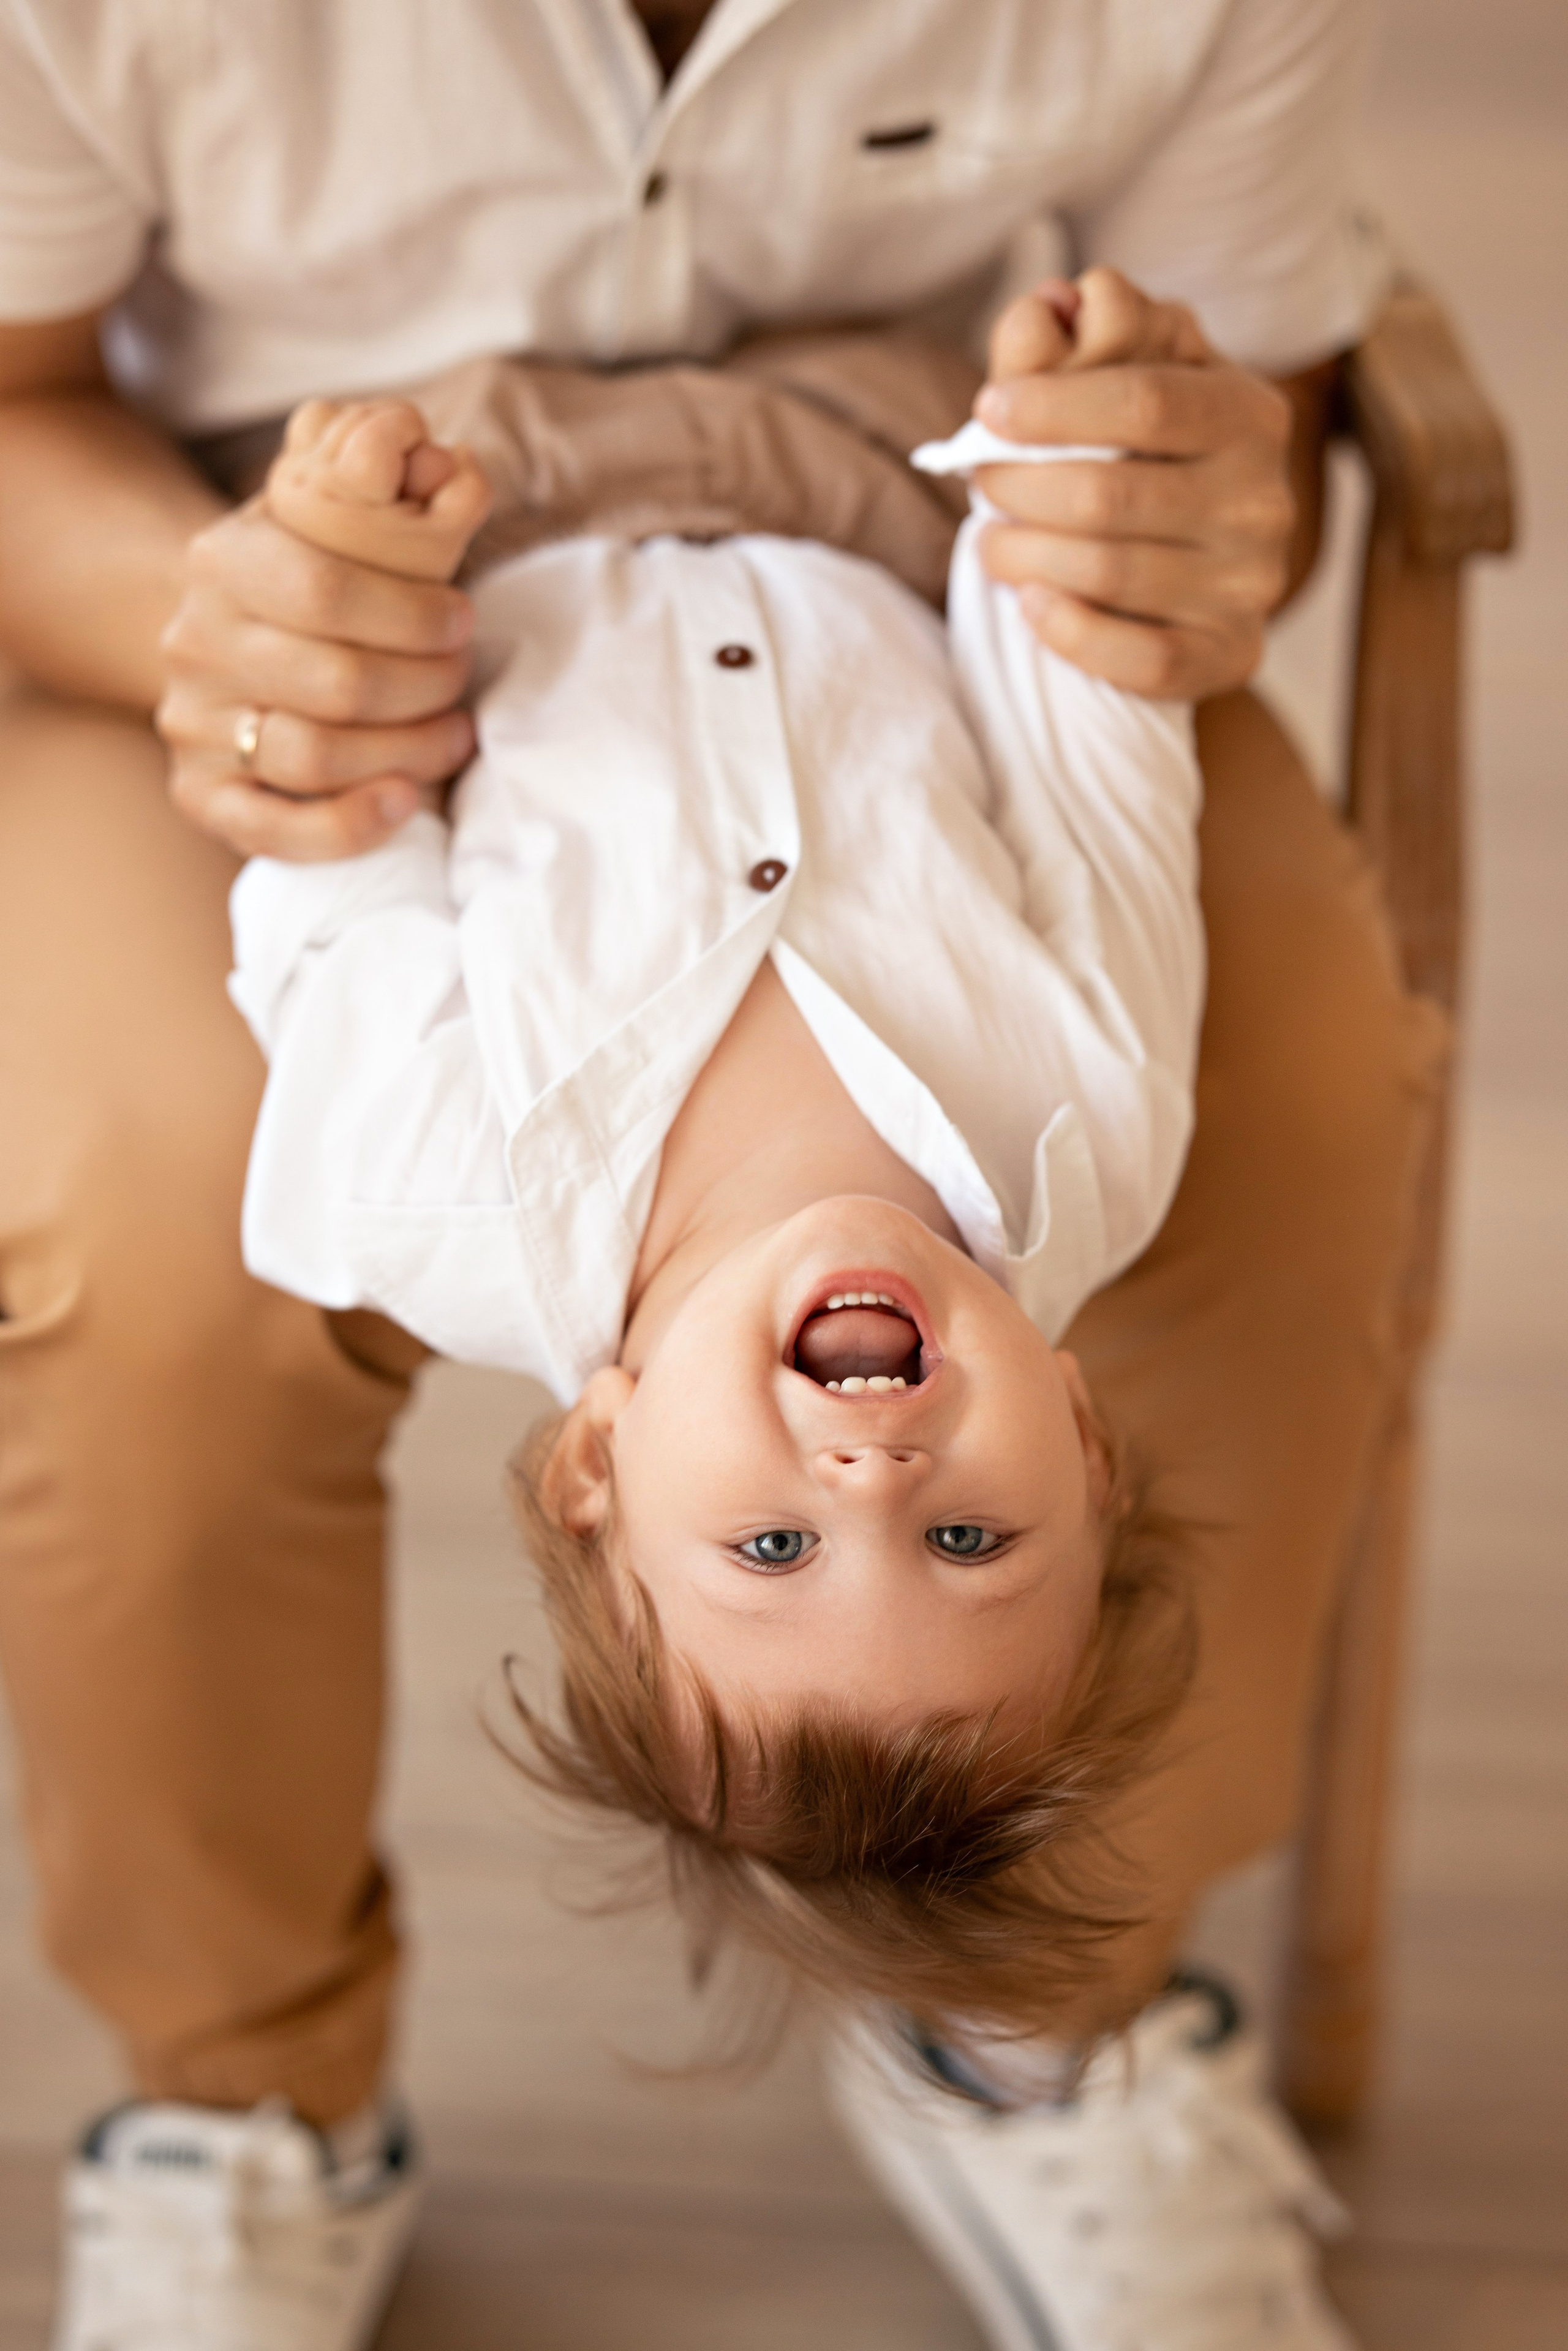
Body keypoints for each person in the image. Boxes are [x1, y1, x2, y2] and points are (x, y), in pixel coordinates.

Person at [0, 3, 1436, 2347]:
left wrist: (1165, 473)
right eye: (963, 1526)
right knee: (126, 1272)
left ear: (599, 1471)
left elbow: (339, 883)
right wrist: (257, 618)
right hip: (227, 512)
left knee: (1310, 1125)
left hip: (501, 563)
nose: (875, 1461)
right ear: (1065, 1435)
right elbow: (1088, 760)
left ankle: (1037, 2003)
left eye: (779, 1542)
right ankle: (248, 2091)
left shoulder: (435, 1169)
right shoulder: (1070, 1108)